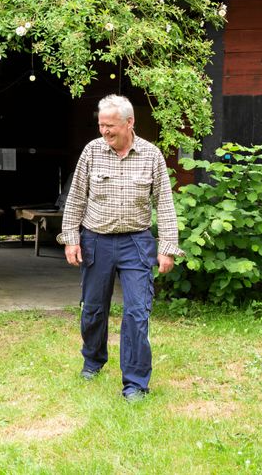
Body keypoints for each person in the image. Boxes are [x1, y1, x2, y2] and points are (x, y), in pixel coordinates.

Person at [56, 95, 181, 402]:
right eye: (101, 125)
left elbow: (164, 204)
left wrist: (167, 247)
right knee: (93, 309)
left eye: (110, 125)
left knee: (137, 313)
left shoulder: (151, 155)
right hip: (96, 240)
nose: (105, 131)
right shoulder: (92, 151)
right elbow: (76, 198)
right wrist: (71, 238)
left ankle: (135, 383)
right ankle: (93, 359)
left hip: (136, 242)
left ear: (129, 122)